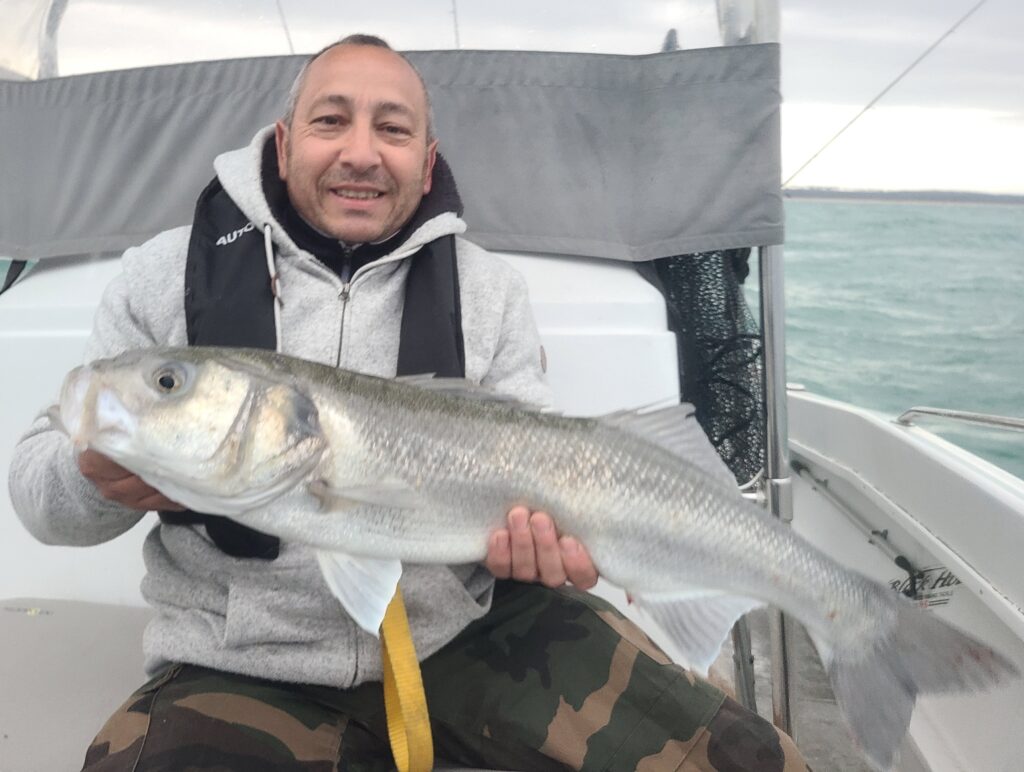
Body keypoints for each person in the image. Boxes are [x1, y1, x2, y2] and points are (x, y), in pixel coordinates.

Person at [9, 35, 809, 771]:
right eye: (331, 121)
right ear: (285, 144)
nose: (360, 153)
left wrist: (544, 555)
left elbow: (537, 449)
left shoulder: (490, 291)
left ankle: (840, 607)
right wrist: (93, 476)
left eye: (392, 131)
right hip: (241, 662)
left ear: (426, 164)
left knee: (742, 760)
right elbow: (40, 495)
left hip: (471, 638)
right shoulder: (160, 277)